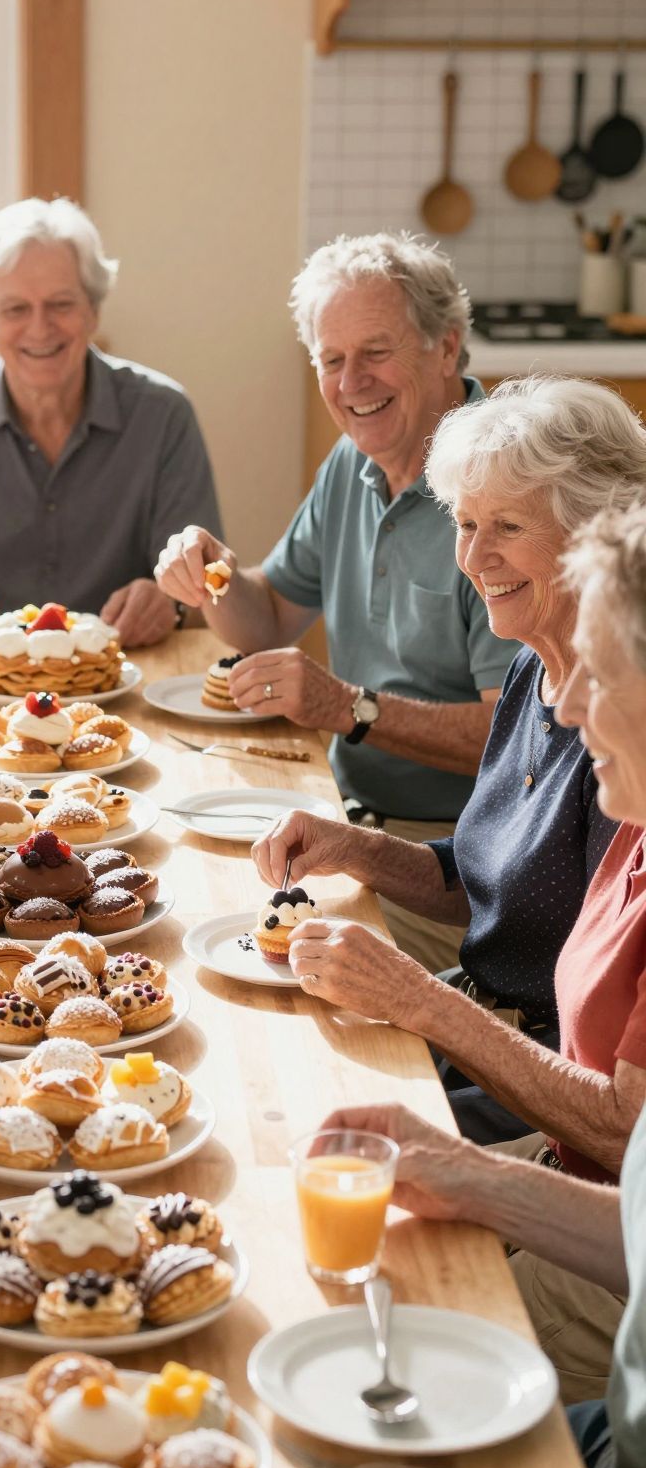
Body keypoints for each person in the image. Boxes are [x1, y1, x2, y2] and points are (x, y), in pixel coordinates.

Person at [281, 499, 646, 1402]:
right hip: (581, 1182)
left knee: (379, 1364)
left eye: (592, 673)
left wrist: (422, 1004)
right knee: (329, 1288)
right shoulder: (633, 826)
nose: (559, 701)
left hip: (613, 1271)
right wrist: (469, 1175)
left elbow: (620, 1134)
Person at [253, 378, 646, 1149]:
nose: (473, 556)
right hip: (476, 1024)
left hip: (537, 1078)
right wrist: (353, 849)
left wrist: (414, 998)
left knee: (317, 1137)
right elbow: (491, 881)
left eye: (506, 526)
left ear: (596, 534)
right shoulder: (535, 668)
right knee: (283, 1060)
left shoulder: (621, 732)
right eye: (464, 524)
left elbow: (612, 1105)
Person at [154, 232, 521, 973]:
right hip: (342, 820)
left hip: (458, 867)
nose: (352, 382)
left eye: (376, 352)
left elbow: (515, 738)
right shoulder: (353, 463)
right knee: (175, 903)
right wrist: (215, 574)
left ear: (446, 347)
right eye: (331, 359)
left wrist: (348, 707)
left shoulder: (501, 491)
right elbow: (269, 619)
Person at [0, 195, 222, 648]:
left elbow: (208, 580)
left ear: (94, 310)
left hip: (127, 671)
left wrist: (172, 604)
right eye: (16, 309)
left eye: (61, 304)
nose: (40, 328)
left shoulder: (164, 415)